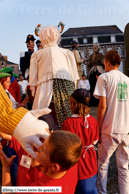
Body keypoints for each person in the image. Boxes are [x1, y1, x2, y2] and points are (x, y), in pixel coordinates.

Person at [0, 130, 82, 194]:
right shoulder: (70, 164)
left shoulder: (35, 190)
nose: (38, 147)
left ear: (54, 167)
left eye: (43, 149)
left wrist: (6, 167)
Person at [29, 26, 79, 129]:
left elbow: (33, 74)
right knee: (68, 111)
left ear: (42, 38)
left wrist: (32, 86)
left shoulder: (37, 54)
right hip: (65, 84)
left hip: (45, 86)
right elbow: (73, 74)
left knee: (40, 112)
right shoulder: (66, 52)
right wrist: (74, 84)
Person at [93, 50, 129, 194]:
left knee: (103, 165)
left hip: (109, 128)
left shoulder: (104, 77)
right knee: (124, 167)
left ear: (107, 63)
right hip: (125, 129)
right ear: (118, 64)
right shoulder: (127, 80)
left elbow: (102, 106)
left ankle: (102, 192)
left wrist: (98, 127)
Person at [62, 89, 99, 194]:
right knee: (91, 185)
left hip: (76, 159)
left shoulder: (68, 123)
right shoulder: (93, 120)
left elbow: (65, 146)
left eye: (71, 104)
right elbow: (95, 140)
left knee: (79, 187)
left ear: (74, 105)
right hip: (91, 158)